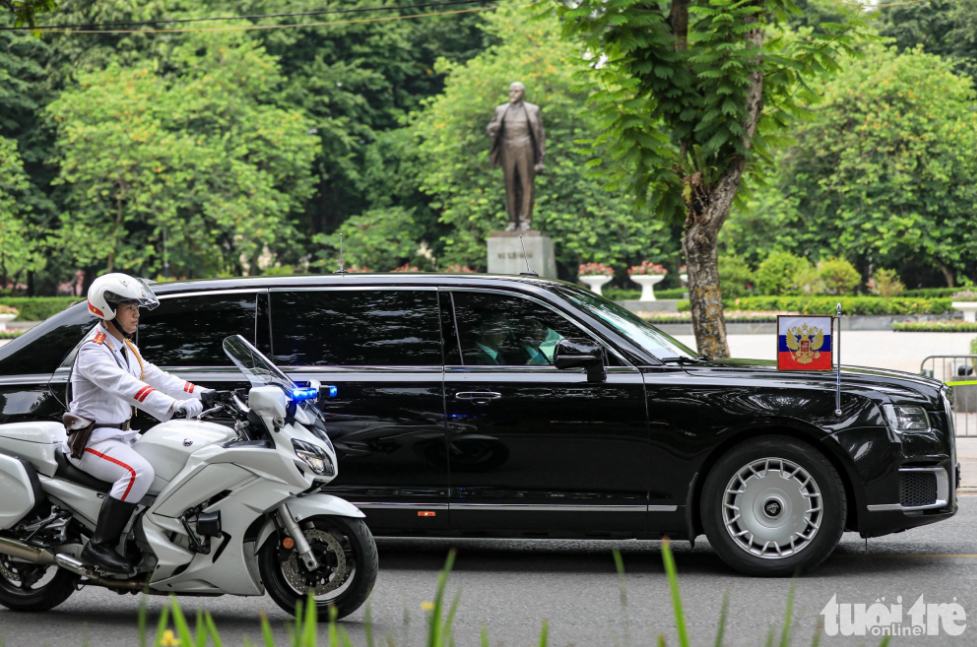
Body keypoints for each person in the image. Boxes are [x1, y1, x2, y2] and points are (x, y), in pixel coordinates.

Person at [63, 273, 209, 574]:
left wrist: (207, 394)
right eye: (130, 307)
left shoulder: (125, 347)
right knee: (137, 472)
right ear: (108, 309)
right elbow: (129, 387)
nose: (137, 313)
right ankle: (99, 546)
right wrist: (174, 408)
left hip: (121, 437)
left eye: (137, 307)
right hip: (94, 440)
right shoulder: (94, 350)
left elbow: (159, 378)